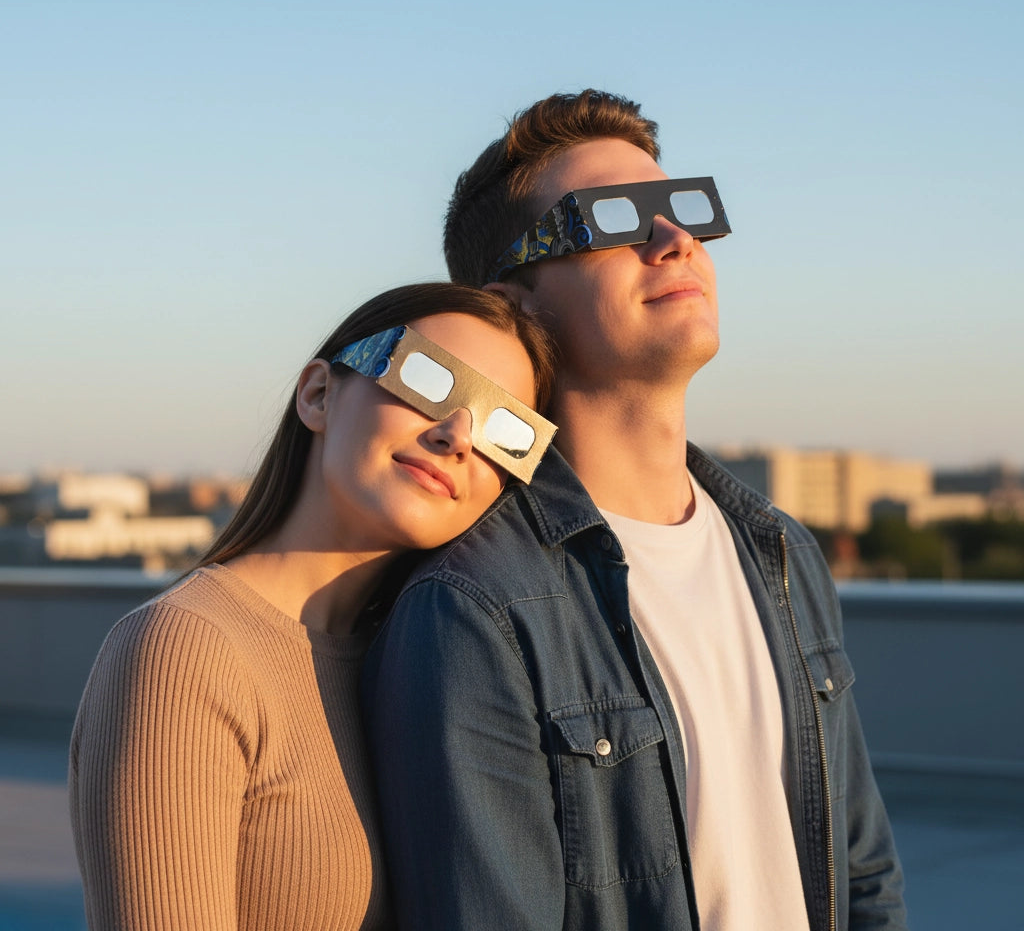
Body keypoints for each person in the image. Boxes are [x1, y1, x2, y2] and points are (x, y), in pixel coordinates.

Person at [361, 92, 908, 930]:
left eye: (683, 209)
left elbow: (862, 875)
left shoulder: (784, 554)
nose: (675, 240)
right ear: (519, 301)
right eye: (612, 219)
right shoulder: (475, 609)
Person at [68, 282, 557, 931]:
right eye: (430, 380)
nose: (459, 435)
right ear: (319, 394)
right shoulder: (183, 650)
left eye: (507, 430)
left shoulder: (433, 663)